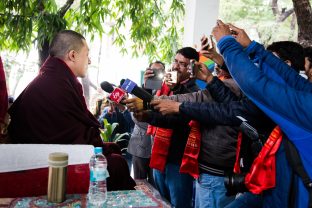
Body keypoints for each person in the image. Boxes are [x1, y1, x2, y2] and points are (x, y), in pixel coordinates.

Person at [8, 30, 135, 191]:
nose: (89, 61)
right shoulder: (59, 82)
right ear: (73, 55)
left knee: (113, 155)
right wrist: (100, 145)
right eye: (87, 54)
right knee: (116, 163)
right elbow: (73, 135)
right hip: (41, 159)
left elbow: (72, 129)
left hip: (38, 151)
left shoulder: (54, 77)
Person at [212, 20, 312, 208]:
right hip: (281, 192)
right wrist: (253, 48)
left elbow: (258, 86)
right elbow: (293, 81)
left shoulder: (308, 108)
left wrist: (226, 43)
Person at [127, 47, 200, 208]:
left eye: (182, 64)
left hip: (178, 161)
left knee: (178, 203)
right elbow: (149, 104)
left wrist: (147, 115)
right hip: (159, 155)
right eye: (175, 61)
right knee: (159, 202)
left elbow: (175, 119)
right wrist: (145, 88)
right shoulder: (163, 87)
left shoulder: (195, 91)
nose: (175, 67)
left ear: (192, 69)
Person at [127, 61, 165, 185]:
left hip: (159, 148)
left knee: (156, 186)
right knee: (139, 184)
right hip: (139, 145)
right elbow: (135, 118)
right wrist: (145, 88)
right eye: (153, 71)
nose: (155, 74)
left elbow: (167, 118)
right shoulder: (137, 91)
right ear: (147, 72)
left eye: (159, 71)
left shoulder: (168, 93)